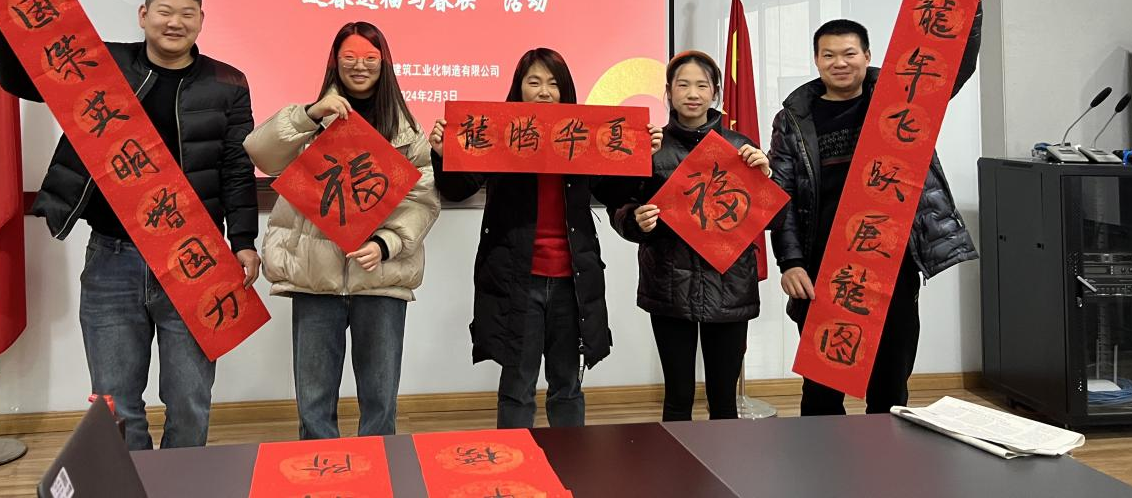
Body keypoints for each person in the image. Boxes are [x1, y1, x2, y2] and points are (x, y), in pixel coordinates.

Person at [0, 0, 258, 450]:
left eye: (187, 14)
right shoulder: (104, 64)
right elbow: (21, 79)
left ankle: (179, 482)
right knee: (116, 402)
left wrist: (244, 242)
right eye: (164, 11)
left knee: (190, 399)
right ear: (143, 15)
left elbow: (236, 168)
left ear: (201, 20)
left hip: (195, 259)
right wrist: (1, 10)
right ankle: (134, 481)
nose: (175, 22)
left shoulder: (227, 83)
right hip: (112, 258)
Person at [769, 0, 982, 415]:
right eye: (828, 55)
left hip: (893, 261)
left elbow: (953, 68)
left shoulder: (902, 97)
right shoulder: (793, 119)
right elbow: (782, 194)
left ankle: (885, 456)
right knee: (822, 389)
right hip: (824, 265)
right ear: (816, 61)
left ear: (867, 55)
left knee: (889, 383)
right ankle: (822, 459)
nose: (839, 62)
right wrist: (790, 262)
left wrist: (969, 7)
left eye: (849, 53)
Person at [428, 48, 661, 429]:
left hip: (572, 280)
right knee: (517, 386)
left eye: (553, 84)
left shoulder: (583, 135)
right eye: (533, 82)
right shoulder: (499, 133)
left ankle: (569, 461)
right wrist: (442, 154)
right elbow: (458, 189)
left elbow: (614, 192)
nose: (543, 92)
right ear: (518, 88)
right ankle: (515, 461)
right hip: (516, 279)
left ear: (565, 90)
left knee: (567, 384)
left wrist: (640, 156)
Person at [245, 22, 438, 440]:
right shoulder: (313, 121)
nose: (360, 66)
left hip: (380, 279)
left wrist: (386, 244)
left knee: (380, 402)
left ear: (384, 64)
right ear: (335, 62)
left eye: (370, 58)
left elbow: (422, 201)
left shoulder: (407, 132)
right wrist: (310, 114)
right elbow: (260, 153)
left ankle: (380, 470)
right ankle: (319, 471)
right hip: (315, 279)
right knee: (314, 403)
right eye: (349, 57)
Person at [610, 50, 770, 421]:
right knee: (678, 396)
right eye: (683, 85)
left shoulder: (739, 146)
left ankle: (722, 459)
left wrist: (766, 177)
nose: (693, 93)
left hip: (729, 285)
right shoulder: (650, 146)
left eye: (702, 85)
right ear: (668, 92)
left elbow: (769, 218)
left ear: (716, 92)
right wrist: (635, 221)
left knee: (724, 399)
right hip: (669, 284)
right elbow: (621, 206)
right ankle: (675, 459)